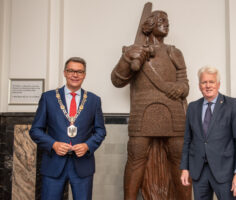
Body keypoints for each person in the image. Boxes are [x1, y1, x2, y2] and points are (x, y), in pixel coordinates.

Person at [111, 11, 191, 200]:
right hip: (143, 110)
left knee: (179, 159)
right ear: (150, 25)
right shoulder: (134, 50)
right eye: (161, 20)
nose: (166, 24)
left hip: (173, 112)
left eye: (167, 21)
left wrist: (178, 89)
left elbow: (185, 85)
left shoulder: (174, 52)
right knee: (136, 159)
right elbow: (117, 81)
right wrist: (127, 58)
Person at [30, 57, 106, 200]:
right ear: (64, 73)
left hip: (83, 165)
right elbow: (35, 130)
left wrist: (87, 145)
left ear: (84, 75)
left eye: (79, 72)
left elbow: (101, 130)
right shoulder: (48, 98)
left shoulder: (94, 100)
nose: (75, 75)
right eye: (71, 71)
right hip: (53, 163)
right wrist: (54, 144)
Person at [180, 66, 236, 200]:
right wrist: (185, 168)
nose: (208, 86)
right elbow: (188, 140)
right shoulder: (193, 107)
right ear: (199, 86)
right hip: (199, 172)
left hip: (225, 172)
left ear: (218, 84)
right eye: (204, 82)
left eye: (211, 82)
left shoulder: (232, 105)